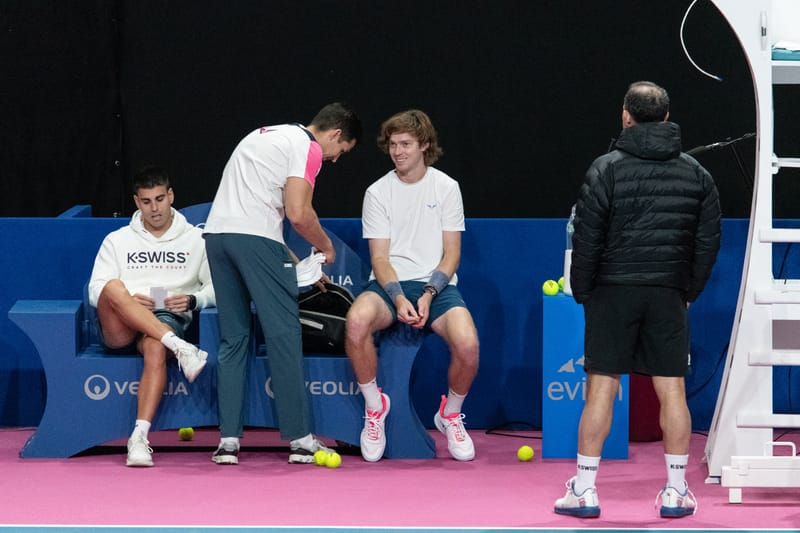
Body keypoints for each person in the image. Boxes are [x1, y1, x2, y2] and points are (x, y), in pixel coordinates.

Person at [553, 81, 721, 518]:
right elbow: (707, 245)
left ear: (625, 116)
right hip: (667, 294)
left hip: (613, 292)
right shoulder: (697, 174)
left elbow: (586, 239)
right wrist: (688, 292)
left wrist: (585, 292)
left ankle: (585, 490)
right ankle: (677, 490)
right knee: (673, 392)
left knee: (601, 389)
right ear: (666, 117)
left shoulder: (605, 168)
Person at [203, 102, 362, 465]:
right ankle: (301, 439)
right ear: (336, 134)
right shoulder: (308, 147)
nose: (336, 159)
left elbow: (259, 219)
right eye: (342, 151)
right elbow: (298, 213)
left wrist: (291, 259)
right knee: (284, 335)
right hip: (253, 240)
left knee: (234, 338)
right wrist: (325, 247)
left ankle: (228, 442)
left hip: (217, 238)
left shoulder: (266, 133)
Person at [345, 109, 480, 463]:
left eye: (405, 144)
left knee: (468, 345)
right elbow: (380, 259)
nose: (398, 151)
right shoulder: (377, 192)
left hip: (437, 287)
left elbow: (451, 255)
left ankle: (449, 413)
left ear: (423, 145)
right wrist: (399, 297)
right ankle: (375, 407)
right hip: (390, 287)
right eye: (392, 145)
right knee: (356, 321)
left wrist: (429, 294)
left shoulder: (446, 187)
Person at [88, 165, 215, 467]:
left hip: (165, 316)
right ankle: (181, 347)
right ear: (136, 202)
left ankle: (139, 438)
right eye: (146, 201)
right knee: (114, 287)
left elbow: (215, 288)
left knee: (156, 345)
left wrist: (195, 299)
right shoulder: (117, 240)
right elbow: (96, 290)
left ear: (171, 196)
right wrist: (129, 300)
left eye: (160, 199)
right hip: (120, 321)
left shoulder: (198, 240)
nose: (154, 208)